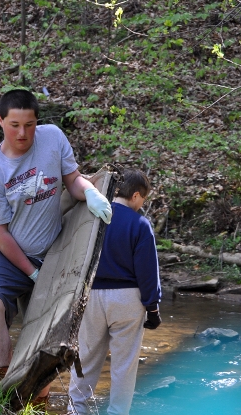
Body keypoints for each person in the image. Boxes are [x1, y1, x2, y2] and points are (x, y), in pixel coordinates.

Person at [0, 89, 113, 407]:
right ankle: (5, 396)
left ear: (38, 122)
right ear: (0, 122)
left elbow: (72, 179)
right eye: (14, 125)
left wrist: (90, 192)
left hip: (50, 250)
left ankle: (38, 404)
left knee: (45, 340)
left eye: (30, 124)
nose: (23, 133)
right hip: (3, 253)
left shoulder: (53, 138)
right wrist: (33, 272)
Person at [67, 168, 162, 415]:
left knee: (85, 358)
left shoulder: (93, 215)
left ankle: (76, 409)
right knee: (124, 365)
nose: (142, 205)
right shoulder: (140, 224)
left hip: (91, 296)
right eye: (143, 199)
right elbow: (147, 271)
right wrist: (152, 307)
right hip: (128, 299)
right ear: (136, 195)